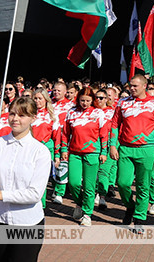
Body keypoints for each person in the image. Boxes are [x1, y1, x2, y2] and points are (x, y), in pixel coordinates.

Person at [0, 96, 51, 262]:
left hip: (27, 223)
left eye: (22, 115)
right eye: (12, 114)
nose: (15, 119)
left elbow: (34, 194)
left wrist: (0, 195)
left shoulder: (40, 151)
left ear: (33, 118)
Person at [109, 74, 154, 231]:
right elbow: (114, 124)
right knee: (122, 183)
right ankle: (130, 206)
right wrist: (112, 145)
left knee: (143, 185)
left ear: (144, 86)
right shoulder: (123, 102)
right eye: (130, 85)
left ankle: (140, 217)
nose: (132, 88)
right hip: (125, 148)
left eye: (135, 86)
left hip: (147, 149)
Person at [61, 86, 108, 227]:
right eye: (82, 100)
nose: (85, 103)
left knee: (89, 186)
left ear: (92, 100)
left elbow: (104, 134)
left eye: (88, 100)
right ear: (78, 100)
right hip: (74, 153)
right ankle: (80, 204)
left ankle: (87, 214)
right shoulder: (71, 112)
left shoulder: (98, 113)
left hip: (92, 153)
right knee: (74, 183)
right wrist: (64, 149)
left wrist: (104, 152)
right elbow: (65, 133)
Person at [30, 88, 60, 208]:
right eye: (35, 98)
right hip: (30, 149)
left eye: (40, 98)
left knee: (41, 178)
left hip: (46, 149)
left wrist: (57, 155)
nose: (37, 101)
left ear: (46, 100)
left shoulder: (52, 115)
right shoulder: (29, 113)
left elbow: (57, 136)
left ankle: (40, 205)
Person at [50, 80, 74, 204]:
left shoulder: (71, 106)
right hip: (50, 137)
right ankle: (55, 186)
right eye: (54, 90)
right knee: (52, 164)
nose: (56, 92)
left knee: (62, 163)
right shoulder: (49, 104)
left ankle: (60, 192)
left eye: (59, 90)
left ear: (65, 92)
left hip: (64, 138)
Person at [94, 89, 118, 210]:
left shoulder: (112, 111)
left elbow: (116, 128)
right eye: (97, 97)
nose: (99, 100)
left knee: (103, 170)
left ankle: (101, 196)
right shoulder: (90, 111)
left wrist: (114, 145)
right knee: (93, 171)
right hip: (92, 144)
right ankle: (93, 192)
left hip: (108, 143)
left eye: (102, 98)